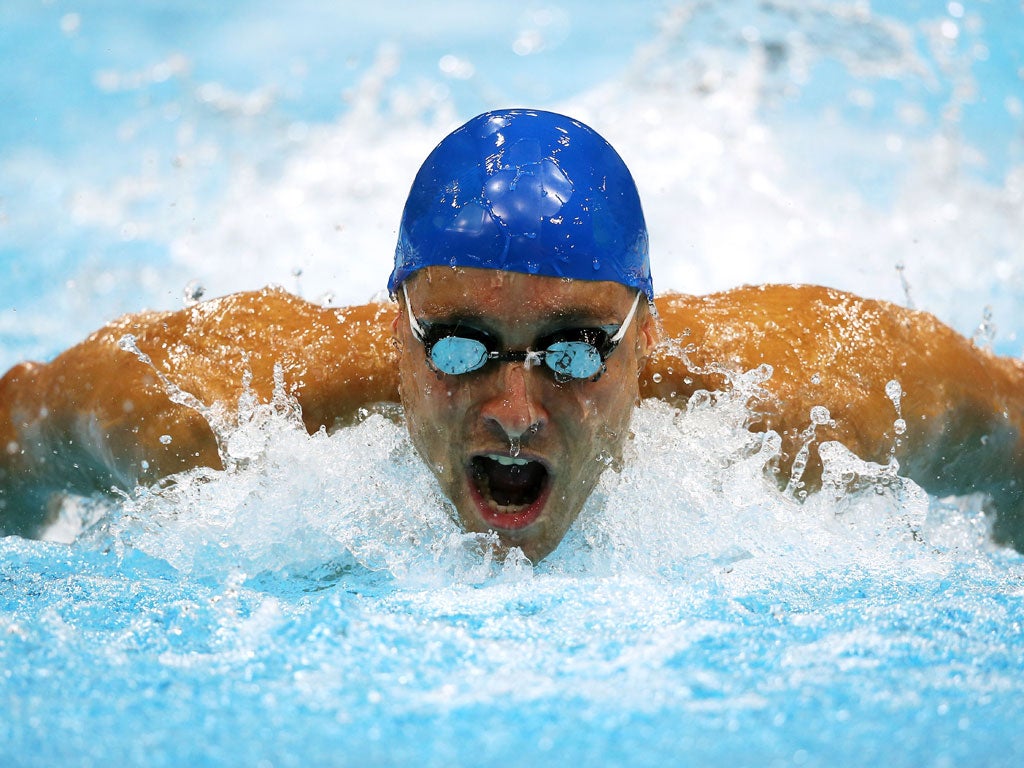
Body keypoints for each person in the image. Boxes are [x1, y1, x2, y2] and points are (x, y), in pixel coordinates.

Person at [1, 108, 1022, 562]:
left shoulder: (828, 400)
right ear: (391, 329)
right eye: (457, 345)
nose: (516, 412)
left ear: (646, 338)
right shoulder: (198, 409)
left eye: (577, 348)